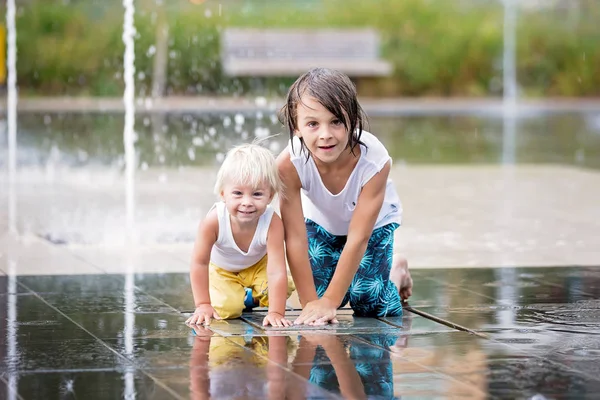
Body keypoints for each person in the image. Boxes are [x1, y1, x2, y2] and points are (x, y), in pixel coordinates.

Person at [276, 67, 413, 326]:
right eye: (313, 124)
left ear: (353, 120)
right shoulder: (288, 164)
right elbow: (294, 236)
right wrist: (312, 303)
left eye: (336, 121)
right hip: (322, 224)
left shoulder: (374, 161)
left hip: (373, 228)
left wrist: (329, 302)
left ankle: (396, 271)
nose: (325, 134)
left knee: (368, 300)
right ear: (296, 127)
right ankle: (341, 282)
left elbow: (359, 237)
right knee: (318, 294)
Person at [186, 143, 295, 327]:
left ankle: (251, 295)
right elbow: (199, 262)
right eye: (237, 193)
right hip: (223, 270)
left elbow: (276, 269)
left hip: (258, 266)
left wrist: (276, 312)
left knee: (282, 290)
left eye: (257, 194)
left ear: (270, 196)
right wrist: (203, 304)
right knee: (227, 309)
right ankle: (243, 297)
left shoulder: (272, 222)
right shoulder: (214, 221)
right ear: (223, 194)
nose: (247, 202)